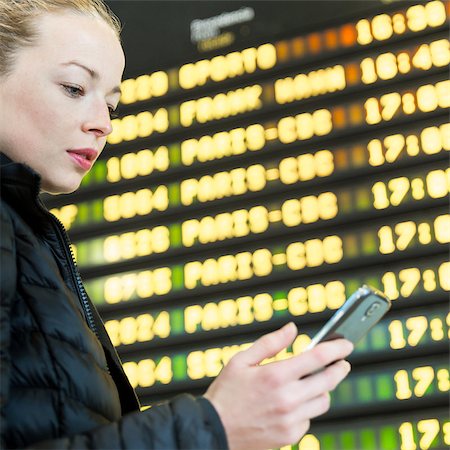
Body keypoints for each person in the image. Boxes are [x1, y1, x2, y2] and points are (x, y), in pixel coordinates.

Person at [0, 0, 353, 448]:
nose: (104, 124)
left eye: (112, 104)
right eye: (74, 88)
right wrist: (215, 425)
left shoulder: (29, 237)